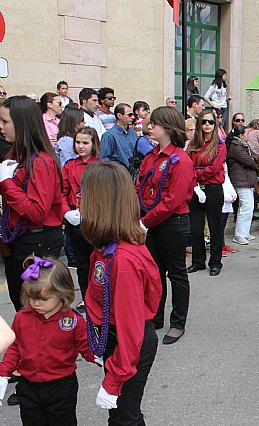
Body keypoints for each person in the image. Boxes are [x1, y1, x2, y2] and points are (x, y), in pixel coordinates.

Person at [80, 161, 162, 422]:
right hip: (116, 340)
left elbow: (131, 331)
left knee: (123, 417)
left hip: (128, 347)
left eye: (84, 196)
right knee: (125, 415)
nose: (78, 201)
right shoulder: (107, 250)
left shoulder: (123, 260)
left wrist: (114, 380)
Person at [0, 255, 97, 424]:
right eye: (31, 297)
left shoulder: (74, 321)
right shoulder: (22, 317)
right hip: (28, 385)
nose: (36, 303)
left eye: (43, 299)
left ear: (62, 293)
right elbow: (15, 347)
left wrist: (103, 357)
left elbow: (86, 347)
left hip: (61, 386)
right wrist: (3, 373)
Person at [0, 96, 65, 312]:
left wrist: (7, 183)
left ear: (21, 123)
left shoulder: (42, 162)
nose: (1, 127)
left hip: (37, 244)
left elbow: (37, 212)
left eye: (5, 121)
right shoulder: (16, 154)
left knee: (34, 303)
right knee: (21, 300)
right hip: (19, 241)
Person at [137, 107, 194, 344]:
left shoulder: (180, 160)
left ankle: (177, 322)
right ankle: (155, 316)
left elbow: (173, 200)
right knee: (154, 273)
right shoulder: (151, 157)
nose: (150, 127)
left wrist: (144, 222)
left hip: (171, 223)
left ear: (168, 128)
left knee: (176, 273)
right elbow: (140, 186)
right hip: (151, 222)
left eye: (155, 124)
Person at [62, 126, 100, 312]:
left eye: (85, 143)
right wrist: (66, 212)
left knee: (98, 260)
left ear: (94, 144)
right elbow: (61, 192)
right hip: (75, 219)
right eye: (78, 142)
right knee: (82, 262)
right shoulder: (69, 166)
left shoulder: (100, 165)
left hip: (96, 219)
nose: (81, 146)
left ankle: (101, 295)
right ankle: (86, 297)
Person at [186, 110, 227, 276]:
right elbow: (186, 165)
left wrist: (196, 173)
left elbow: (215, 168)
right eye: (204, 122)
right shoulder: (193, 144)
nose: (207, 125)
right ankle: (198, 261)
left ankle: (216, 262)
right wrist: (196, 174)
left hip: (213, 189)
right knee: (195, 228)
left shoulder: (220, 145)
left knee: (215, 227)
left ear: (215, 124)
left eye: (210, 122)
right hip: (195, 189)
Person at [227, 125, 259, 245]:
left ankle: (244, 232)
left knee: (248, 207)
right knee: (246, 206)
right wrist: (253, 160)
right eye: (247, 134)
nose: (249, 136)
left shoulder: (242, 145)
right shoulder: (236, 147)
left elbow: (251, 158)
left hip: (246, 180)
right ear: (241, 136)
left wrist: (253, 159)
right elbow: (249, 161)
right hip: (241, 180)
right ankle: (239, 234)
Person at [100, 103, 138, 168]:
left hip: (133, 174)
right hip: (118, 174)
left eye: (133, 114)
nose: (133, 117)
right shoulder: (109, 135)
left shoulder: (133, 133)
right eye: (130, 115)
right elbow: (104, 159)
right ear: (119, 115)